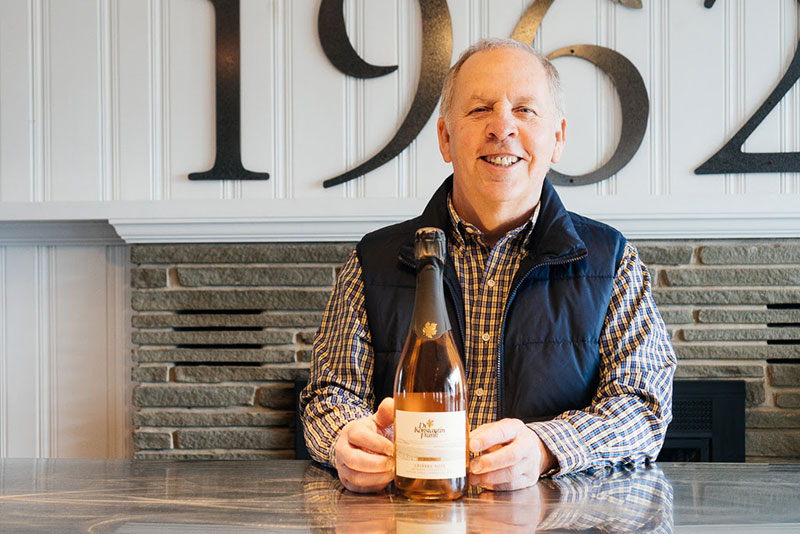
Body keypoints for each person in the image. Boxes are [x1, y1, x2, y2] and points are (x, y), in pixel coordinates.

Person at [300, 37, 676, 493]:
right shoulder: (370, 262)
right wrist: (346, 439)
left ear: (557, 138)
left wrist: (544, 447)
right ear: (445, 137)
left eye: (525, 110)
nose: (502, 127)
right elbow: (328, 396)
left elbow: (642, 406)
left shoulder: (612, 262)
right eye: (479, 110)